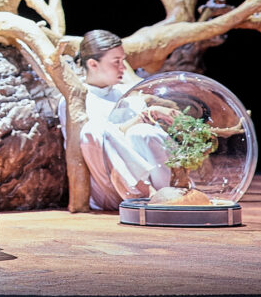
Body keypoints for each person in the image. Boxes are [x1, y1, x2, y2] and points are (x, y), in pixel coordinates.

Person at [58, 30, 178, 210]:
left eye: (123, 61)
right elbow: (95, 143)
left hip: (156, 187)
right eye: (116, 62)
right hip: (110, 188)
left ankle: (169, 193)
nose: (123, 68)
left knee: (143, 132)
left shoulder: (126, 95)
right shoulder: (76, 99)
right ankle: (148, 194)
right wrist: (139, 119)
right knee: (94, 130)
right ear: (93, 64)